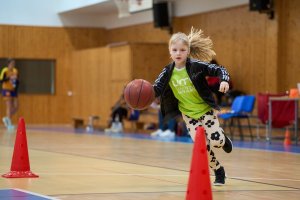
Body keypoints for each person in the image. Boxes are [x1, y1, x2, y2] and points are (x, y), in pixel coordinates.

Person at [152, 27, 233, 186]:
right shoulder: (167, 72)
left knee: (216, 141)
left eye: (182, 50)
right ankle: (218, 171)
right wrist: (145, 94)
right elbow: (156, 88)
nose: (178, 53)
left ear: (188, 51)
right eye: (174, 50)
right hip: (189, 116)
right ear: (170, 51)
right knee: (202, 149)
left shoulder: (196, 66)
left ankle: (223, 139)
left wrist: (224, 80)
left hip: (205, 111)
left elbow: (219, 69)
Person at [0, 58, 19, 130]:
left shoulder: (15, 71)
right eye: (11, 63)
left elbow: (17, 81)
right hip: (6, 89)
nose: (13, 65)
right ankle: (9, 123)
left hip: (13, 90)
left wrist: (16, 90)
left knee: (16, 106)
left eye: (14, 63)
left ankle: (7, 118)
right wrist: (8, 78)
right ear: (8, 64)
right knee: (9, 106)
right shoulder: (5, 70)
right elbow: (1, 80)